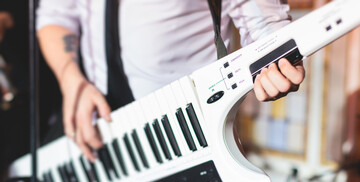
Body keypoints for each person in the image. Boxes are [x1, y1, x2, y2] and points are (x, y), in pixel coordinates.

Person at [36, 0, 305, 162]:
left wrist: (276, 67)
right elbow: (57, 17)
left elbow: (266, 30)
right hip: (98, 137)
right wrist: (70, 78)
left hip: (187, 142)